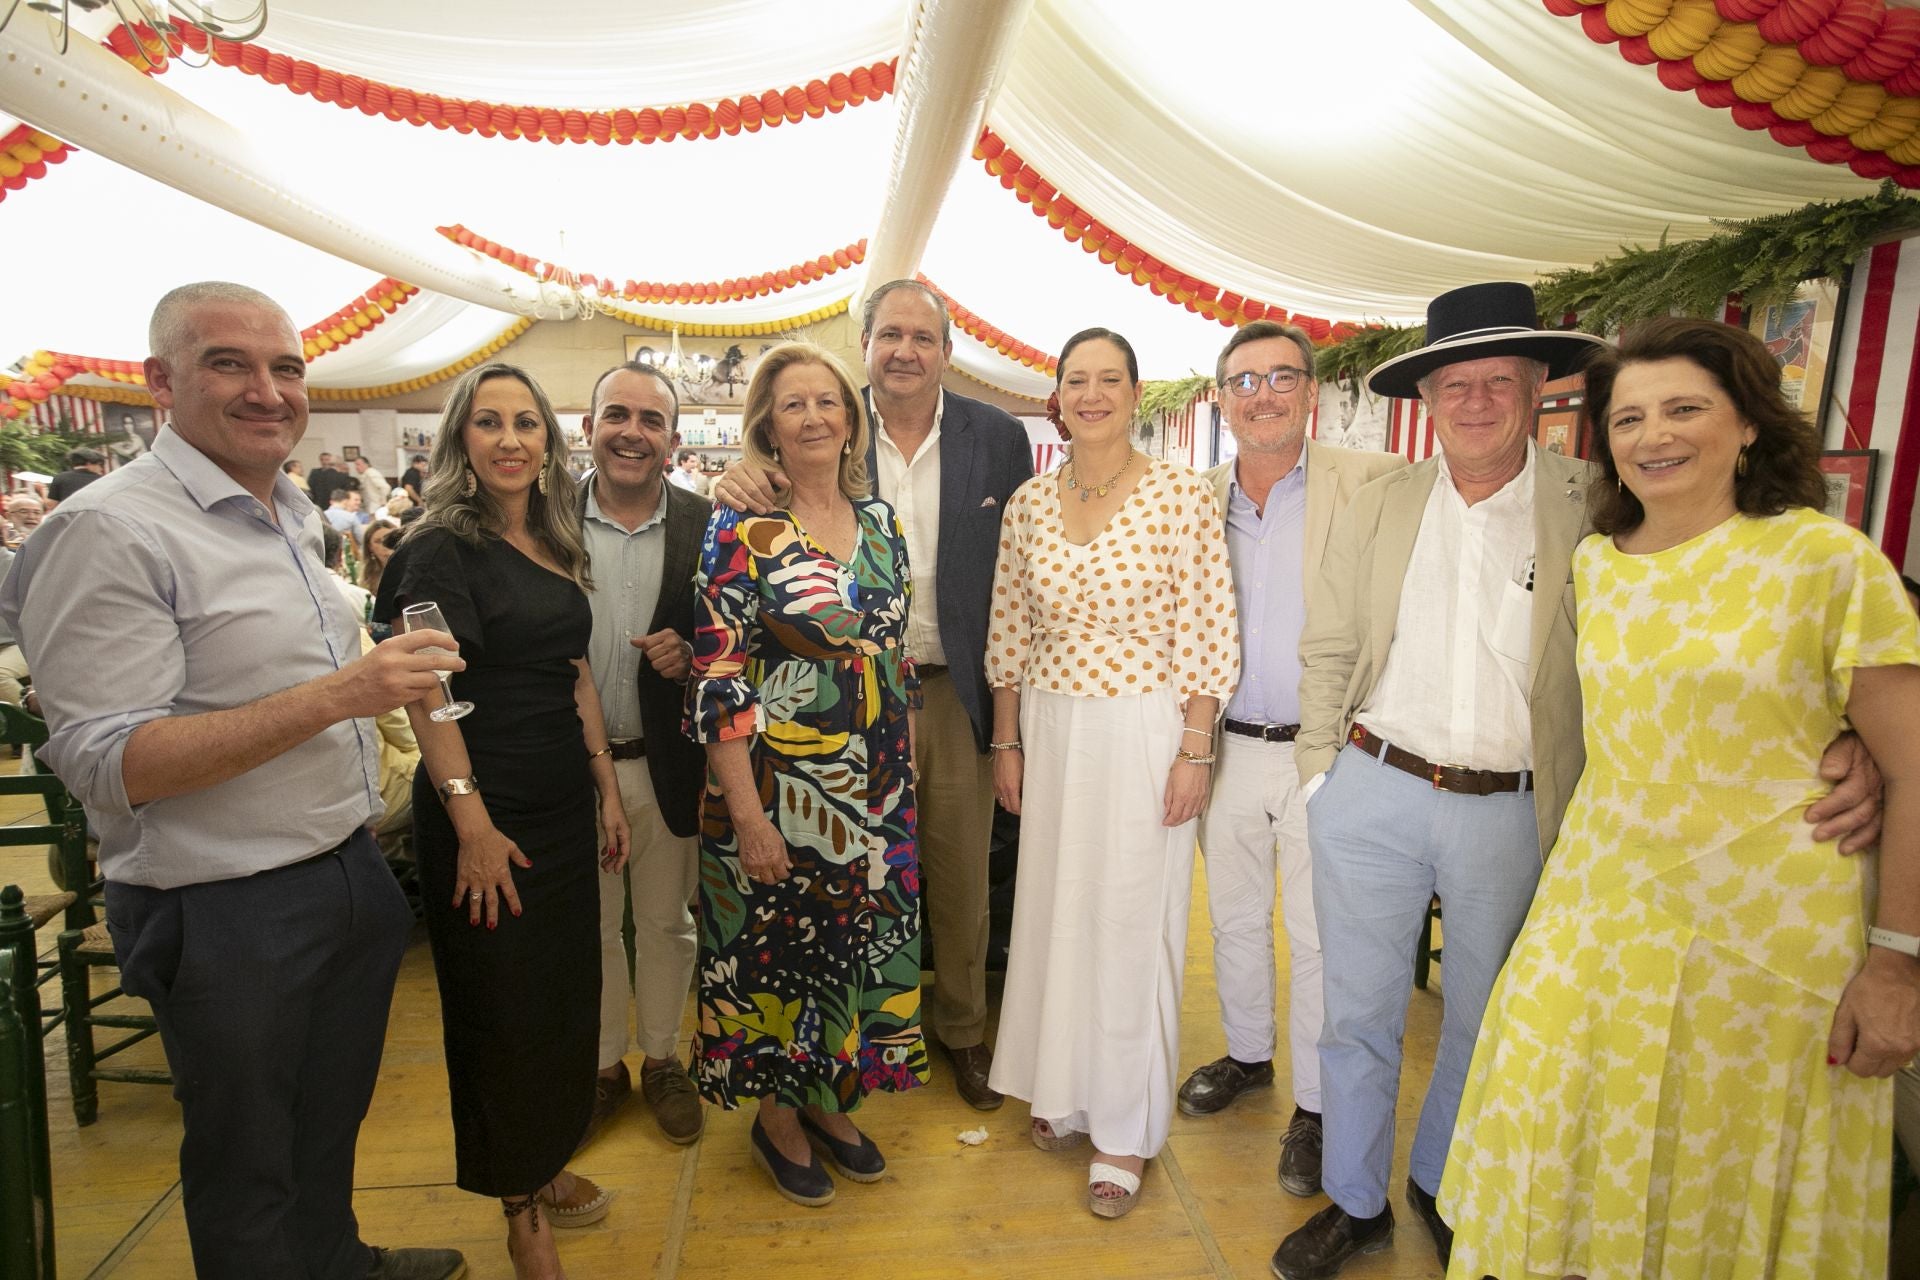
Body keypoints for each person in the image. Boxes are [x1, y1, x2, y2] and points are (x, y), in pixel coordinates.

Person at [1281, 283, 1887, 1279]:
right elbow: (1332, 640)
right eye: (1453, 385)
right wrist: (1318, 779)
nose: (1474, 402)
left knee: (1492, 1016)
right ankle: (1355, 1200)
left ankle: (1448, 1182)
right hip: (1373, 786)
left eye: (1497, 382)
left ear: (1537, 390)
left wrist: (1851, 731)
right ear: (1428, 397)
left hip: (1520, 807)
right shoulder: (1381, 499)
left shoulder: (1597, 506)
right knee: (1355, 1012)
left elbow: (1732, 599)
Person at [0, 280, 464, 1280]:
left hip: (344, 872)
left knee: (325, 1124)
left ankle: (335, 1258)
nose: (268, 389)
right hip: (224, 907)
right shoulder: (107, 531)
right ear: (160, 381)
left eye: (286, 367)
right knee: (245, 1162)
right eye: (230, 363)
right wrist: (341, 693)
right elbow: (112, 763)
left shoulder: (283, 513)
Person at [1439, 316, 1920, 1278]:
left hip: (1769, 941)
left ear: (1748, 424)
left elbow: (1911, 765)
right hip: (1600, 914)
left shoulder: (1826, 563)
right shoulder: (1597, 566)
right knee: (1560, 1135)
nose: (1654, 436)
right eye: (1629, 419)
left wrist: (1898, 962)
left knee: (1724, 1177)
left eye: (1684, 409)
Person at [713, 278, 1033, 1110]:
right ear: (866, 347)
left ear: (947, 352)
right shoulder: (822, 421)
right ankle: (838, 1056)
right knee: (850, 884)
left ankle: (963, 1031)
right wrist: (738, 475)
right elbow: (753, 556)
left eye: (922, 337)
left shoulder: (997, 438)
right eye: (889, 334)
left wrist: (1009, 723)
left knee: (958, 878)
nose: (904, 351)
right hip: (831, 721)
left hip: (951, 693)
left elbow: (1022, 575)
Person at [374, 361, 632, 1278]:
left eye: (527, 423)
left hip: (561, 803)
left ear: (550, 443)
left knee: (564, 999)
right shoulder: (438, 547)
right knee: (502, 1010)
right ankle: (520, 1210)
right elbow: (426, 691)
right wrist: (469, 820)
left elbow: (572, 671)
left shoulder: (555, 539)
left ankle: (546, 1160)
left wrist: (604, 785)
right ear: (461, 439)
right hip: (484, 810)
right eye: (490, 422)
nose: (512, 439)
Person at [986, 327, 1239, 1218]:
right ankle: (1067, 1089)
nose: (1091, 393)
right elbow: (1009, 632)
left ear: (1137, 394)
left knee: (1134, 922)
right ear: (1057, 396)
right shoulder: (1026, 503)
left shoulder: (1179, 496)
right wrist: (1006, 742)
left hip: (1144, 725)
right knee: (1058, 914)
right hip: (1052, 728)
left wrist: (1194, 748)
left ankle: (1126, 1126)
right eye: (1075, 380)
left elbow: (1211, 631)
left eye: (1109, 379)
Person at [688, 341, 925, 1207]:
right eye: (794, 405)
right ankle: (777, 1118)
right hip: (780, 788)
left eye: (830, 401)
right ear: (768, 427)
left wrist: (896, 787)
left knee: (854, 950)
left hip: (880, 786)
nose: (816, 416)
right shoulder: (741, 527)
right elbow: (719, 676)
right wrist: (747, 814)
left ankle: (829, 1100)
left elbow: (891, 656)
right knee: (781, 959)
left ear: (852, 419)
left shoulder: (886, 526)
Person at [1180, 322, 1404, 1200]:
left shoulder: (1375, 482)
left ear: (1313, 393)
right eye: (1243, 381)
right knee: (1233, 918)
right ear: (1221, 401)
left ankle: (1314, 1109)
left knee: (1317, 937)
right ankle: (1247, 1054)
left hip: (1328, 752)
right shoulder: (1193, 499)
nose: (1262, 394)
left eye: (1280, 378)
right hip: (1224, 746)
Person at [574, 362, 711, 1150]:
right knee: (589, 928)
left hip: (668, 763)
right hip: (574, 768)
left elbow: (739, 646)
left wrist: (694, 656)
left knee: (665, 923)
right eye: (617, 414)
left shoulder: (705, 525)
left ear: (673, 438)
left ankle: (662, 1060)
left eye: (651, 420)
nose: (633, 432)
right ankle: (600, 1069)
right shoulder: (543, 518)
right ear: (589, 427)